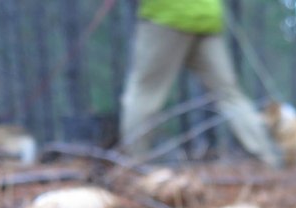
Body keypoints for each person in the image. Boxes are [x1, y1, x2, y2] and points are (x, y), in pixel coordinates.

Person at [120, 0, 280, 166]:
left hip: (167, 15)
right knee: (230, 96)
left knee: (144, 93)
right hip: (206, 17)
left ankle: (133, 165)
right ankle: (269, 159)